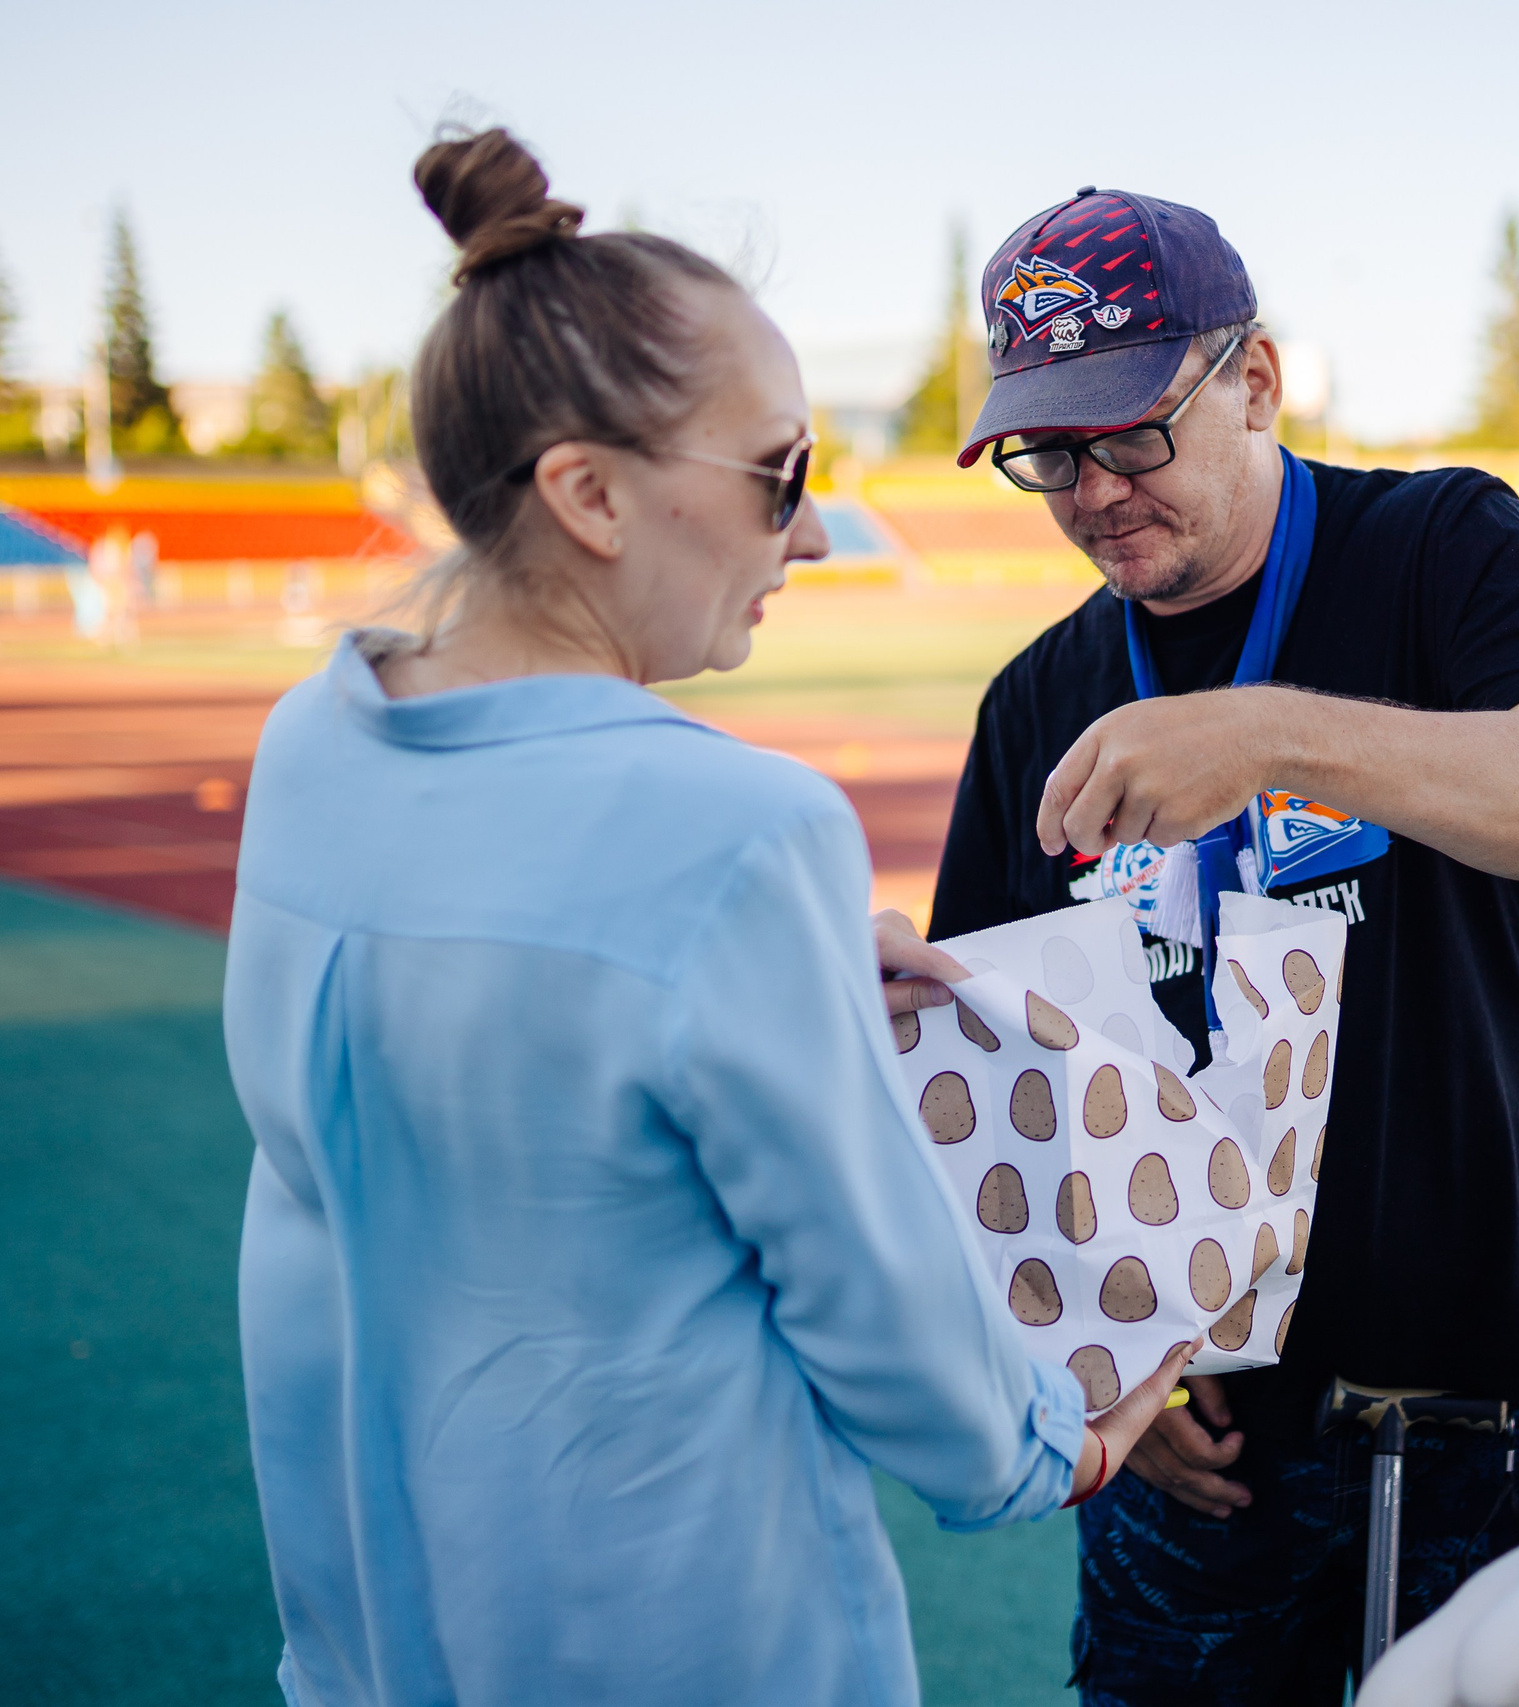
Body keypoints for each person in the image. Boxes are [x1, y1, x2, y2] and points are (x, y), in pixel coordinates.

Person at [223, 130, 1185, 1707]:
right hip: (676, 1638)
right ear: (589, 494)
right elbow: (885, 1314)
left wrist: (763, 988)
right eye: (781, 474)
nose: (809, 534)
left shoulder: (309, 743)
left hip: (366, 1645)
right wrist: (1056, 1448)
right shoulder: (744, 836)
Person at [928, 188, 1519, 1705]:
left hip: (1502, 1396)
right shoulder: (1034, 702)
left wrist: (1264, 738)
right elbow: (995, 1078)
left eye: (1130, 431)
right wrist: (1100, 1351)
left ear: (1253, 381)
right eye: (1045, 453)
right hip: (1196, 1448)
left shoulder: (1441, 545)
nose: (1090, 491)